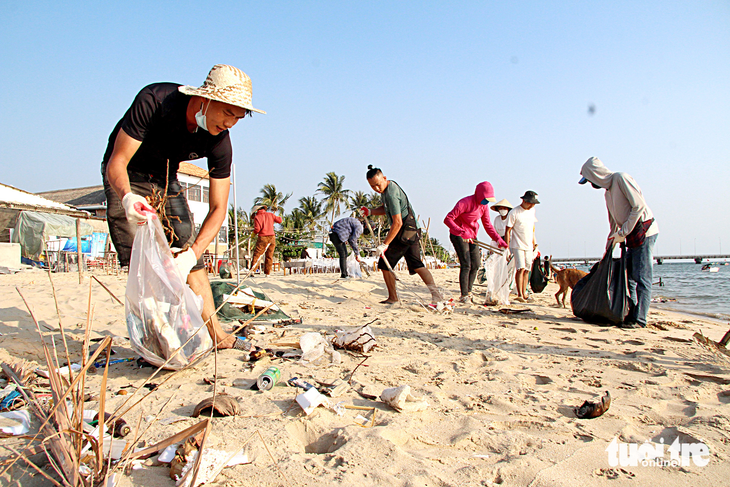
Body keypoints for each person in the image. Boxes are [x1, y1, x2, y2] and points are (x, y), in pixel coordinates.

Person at [102, 64, 265, 352]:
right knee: (141, 260)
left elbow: (218, 208)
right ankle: (159, 338)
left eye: (238, 117)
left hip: (166, 179)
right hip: (130, 173)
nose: (231, 123)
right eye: (228, 112)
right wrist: (127, 197)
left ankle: (218, 335)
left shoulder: (219, 142)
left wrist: (192, 253)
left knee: (190, 249)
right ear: (205, 98)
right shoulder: (155, 101)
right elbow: (117, 161)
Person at [579, 157, 659, 328]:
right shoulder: (607, 193)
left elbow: (639, 207)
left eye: (590, 180)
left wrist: (622, 233)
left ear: (596, 174)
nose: (591, 184)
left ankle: (640, 319)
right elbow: (614, 223)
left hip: (644, 233)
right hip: (629, 235)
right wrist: (608, 247)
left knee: (642, 278)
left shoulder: (620, 178)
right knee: (628, 277)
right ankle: (631, 313)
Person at [361, 165, 442, 304]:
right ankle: (437, 296)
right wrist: (371, 211)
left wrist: (385, 244)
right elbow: (387, 209)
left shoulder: (391, 193)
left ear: (384, 178)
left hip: (405, 231)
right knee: (416, 264)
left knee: (385, 263)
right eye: (372, 186)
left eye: (378, 185)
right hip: (413, 230)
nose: (376, 189)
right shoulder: (387, 189)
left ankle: (393, 298)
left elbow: (397, 222)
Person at [444, 182, 508, 303]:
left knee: (477, 264)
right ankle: (464, 295)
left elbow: (488, 225)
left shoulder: (484, 207)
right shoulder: (465, 202)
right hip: (458, 234)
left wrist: (499, 240)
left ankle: (469, 291)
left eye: (489, 200)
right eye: (485, 198)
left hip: (472, 235)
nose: (486, 201)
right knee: (466, 263)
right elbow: (448, 219)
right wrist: (461, 231)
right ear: (479, 194)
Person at [505, 191, 539, 303]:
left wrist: (535, 243)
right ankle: (519, 293)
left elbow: (532, 228)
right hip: (517, 244)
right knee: (520, 268)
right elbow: (508, 230)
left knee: (527, 269)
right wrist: (507, 246)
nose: (532, 205)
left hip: (529, 244)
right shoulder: (514, 212)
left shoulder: (532, 211)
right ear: (524, 200)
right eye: (530, 203)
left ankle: (524, 292)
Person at [250, 205, 282, 276]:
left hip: (262, 237)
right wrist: (277, 215)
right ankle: (267, 273)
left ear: (256, 211)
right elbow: (280, 220)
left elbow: (257, 229)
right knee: (269, 255)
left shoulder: (257, 217)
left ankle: (252, 270)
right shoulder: (270, 214)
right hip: (272, 237)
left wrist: (253, 234)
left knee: (257, 254)